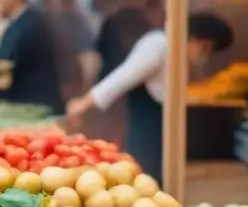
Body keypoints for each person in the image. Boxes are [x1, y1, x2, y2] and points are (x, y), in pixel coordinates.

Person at [66, 11, 234, 179]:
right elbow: (123, 78)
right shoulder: (159, 45)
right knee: (143, 176)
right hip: (147, 129)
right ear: (194, 39)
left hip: (160, 129)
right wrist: (85, 102)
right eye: (204, 49)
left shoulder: (175, 54)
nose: (202, 57)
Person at [0, 0, 63, 113]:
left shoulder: (30, 24)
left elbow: (7, 61)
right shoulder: (21, 21)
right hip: (29, 100)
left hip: (34, 103)